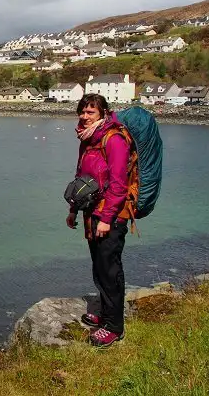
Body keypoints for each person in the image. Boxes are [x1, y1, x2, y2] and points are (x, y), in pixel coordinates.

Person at [66, 93, 133, 347]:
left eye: (90, 112)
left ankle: (114, 327)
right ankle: (106, 315)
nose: (84, 116)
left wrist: (106, 218)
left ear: (103, 114)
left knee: (110, 268)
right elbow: (80, 178)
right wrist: (73, 209)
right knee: (99, 266)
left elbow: (119, 185)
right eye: (82, 111)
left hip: (110, 217)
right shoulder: (87, 140)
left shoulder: (113, 140)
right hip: (90, 213)